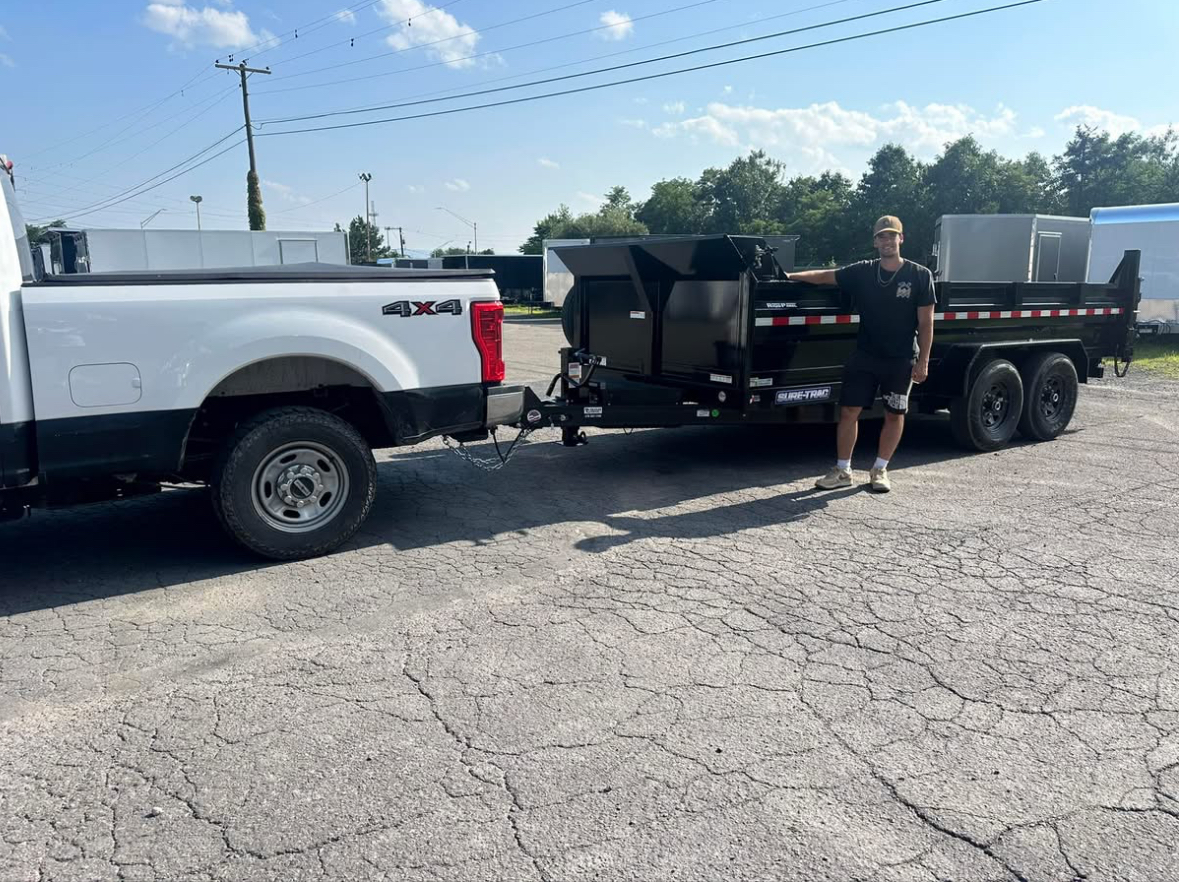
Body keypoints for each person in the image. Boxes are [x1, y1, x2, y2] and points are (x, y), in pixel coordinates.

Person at [784, 215, 935, 493]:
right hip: (865, 355)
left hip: (900, 358)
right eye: (881, 236)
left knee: (893, 413)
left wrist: (923, 360)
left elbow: (926, 323)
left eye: (892, 235)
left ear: (901, 239)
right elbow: (824, 276)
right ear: (875, 241)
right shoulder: (863, 271)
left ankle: (880, 470)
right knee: (849, 410)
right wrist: (789, 276)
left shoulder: (919, 275)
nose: (886, 241)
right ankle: (842, 470)